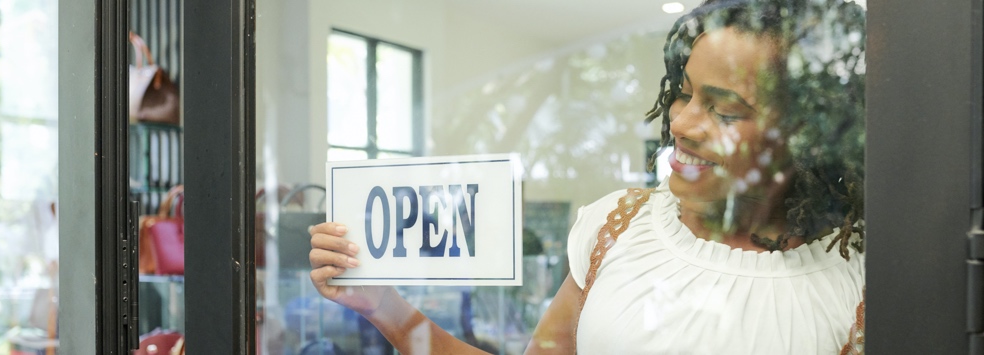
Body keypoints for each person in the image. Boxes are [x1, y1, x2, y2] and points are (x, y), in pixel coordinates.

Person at [308, 0, 867, 353]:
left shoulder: (858, 282)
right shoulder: (617, 227)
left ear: (802, 137)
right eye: (682, 94)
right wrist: (381, 304)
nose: (681, 123)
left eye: (724, 110)